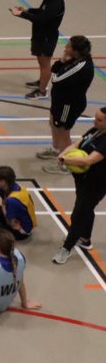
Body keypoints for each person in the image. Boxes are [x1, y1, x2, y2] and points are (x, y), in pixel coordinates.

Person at [52, 107, 106, 264]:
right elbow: (77, 144)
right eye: (95, 118)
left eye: (99, 120)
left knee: (78, 215)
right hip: (82, 179)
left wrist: (66, 160)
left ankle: (66, 249)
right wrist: (63, 153)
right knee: (86, 209)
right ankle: (85, 239)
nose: (95, 121)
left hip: (96, 183)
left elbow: (89, 160)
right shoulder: (95, 131)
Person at [39, 36, 95, 173]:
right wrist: (63, 60)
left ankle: (65, 163)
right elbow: (54, 68)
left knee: (63, 132)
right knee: (53, 122)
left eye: (68, 46)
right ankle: (56, 149)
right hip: (60, 100)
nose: (65, 47)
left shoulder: (81, 66)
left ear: (76, 51)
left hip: (68, 105)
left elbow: (56, 79)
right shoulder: (73, 60)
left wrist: (62, 64)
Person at [12, 0, 65, 100]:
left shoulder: (56, 4)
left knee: (45, 64)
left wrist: (22, 14)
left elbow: (41, 20)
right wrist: (27, 10)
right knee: (41, 62)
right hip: (40, 34)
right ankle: (42, 81)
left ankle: (42, 91)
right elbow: (41, 11)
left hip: (47, 37)